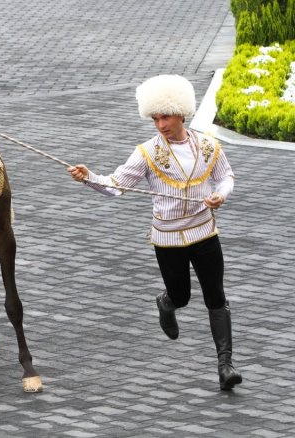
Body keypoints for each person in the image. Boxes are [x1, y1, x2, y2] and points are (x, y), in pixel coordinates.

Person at [67, 74, 242, 391]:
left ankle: (225, 365)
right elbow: (116, 187)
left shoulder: (207, 145)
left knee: (216, 297)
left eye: (165, 117)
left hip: (205, 234)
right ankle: (167, 303)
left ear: (182, 113)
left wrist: (221, 194)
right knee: (182, 296)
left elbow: (226, 176)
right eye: (155, 118)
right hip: (169, 240)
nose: (160, 125)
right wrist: (89, 177)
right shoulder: (146, 153)